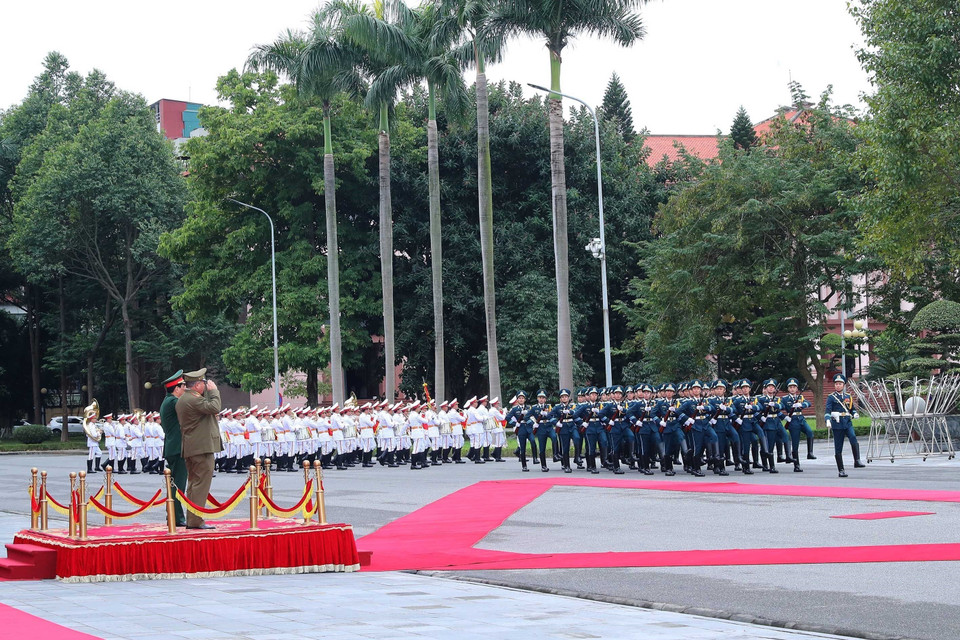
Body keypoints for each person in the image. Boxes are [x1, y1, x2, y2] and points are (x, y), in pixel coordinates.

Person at [174, 368, 222, 530]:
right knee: (201, 485)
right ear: (196, 385)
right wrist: (214, 391)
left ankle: (192, 519)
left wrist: (208, 393)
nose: (205, 385)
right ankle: (195, 520)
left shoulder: (186, 398)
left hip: (194, 447)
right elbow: (214, 407)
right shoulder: (192, 399)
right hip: (201, 448)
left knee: (194, 484)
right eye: (203, 383)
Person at [159, 370, 188, 528]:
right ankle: (177, 517)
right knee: (178, 485)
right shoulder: (173, 402)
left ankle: (172, 514)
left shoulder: (168, 401)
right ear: (176, 388)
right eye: (183, 386)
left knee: (174, 484)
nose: (185, 388)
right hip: (177, 448)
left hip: (173, 447)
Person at [825, 373, 864, 477]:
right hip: (837, 424)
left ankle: (857, 460)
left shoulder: (848, 396)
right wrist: (828, 420)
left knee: (853, 437)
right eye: (836, 384)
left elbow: (852, 409)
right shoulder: (831, 397)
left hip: (847, 422)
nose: (838, 385)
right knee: (838, 447)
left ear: (843, 385)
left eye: (840, 384)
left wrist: (854, 413)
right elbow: (827, 411)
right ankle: (841, 470)